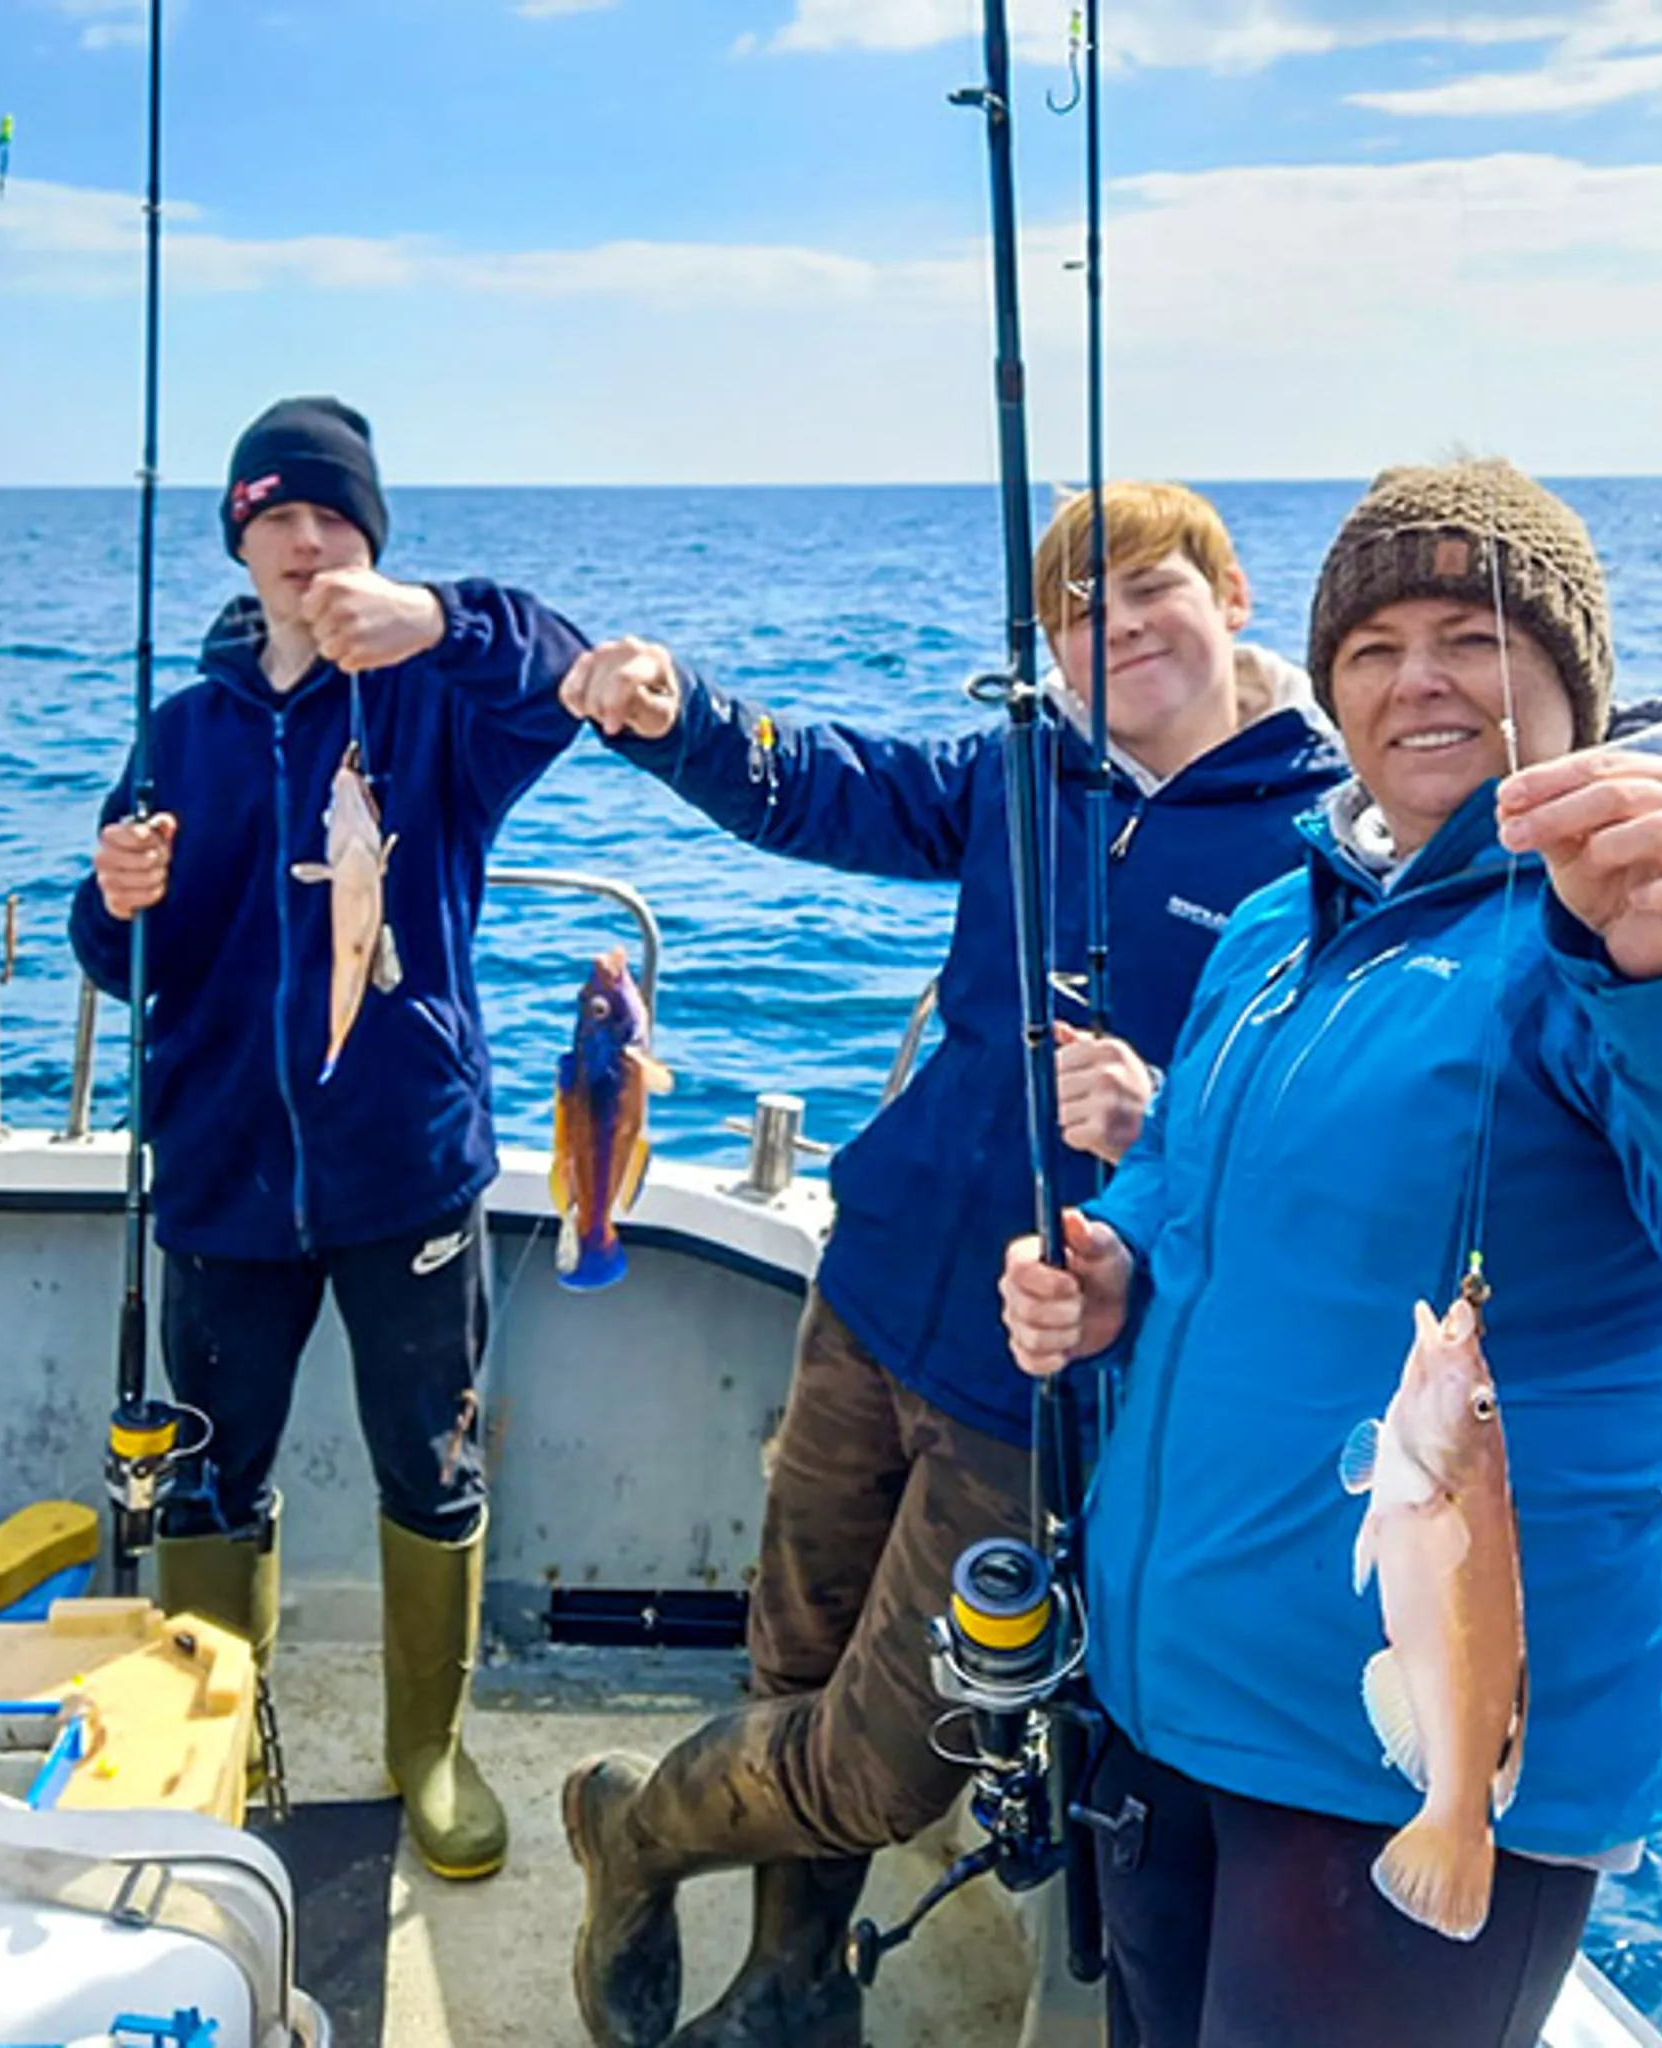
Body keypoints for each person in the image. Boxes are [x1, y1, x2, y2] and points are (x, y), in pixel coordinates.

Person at [999, 456, 1662, 2047]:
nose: (1416, 680)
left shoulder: (1647, 905)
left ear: (1575, 676)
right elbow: (1187, 1182)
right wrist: (1116, 1279)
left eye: (1471, 635)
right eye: (1372, 648)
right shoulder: (1279, 927)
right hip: (1169, 1698)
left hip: (1404, 1766)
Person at [554, 482, 1347, 2047]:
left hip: (1052, 1352)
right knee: (797, 1646)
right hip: (878, 1281)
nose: (1111, 631)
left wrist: (1168, 1109)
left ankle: (634, 1832)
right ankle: (791, 1982)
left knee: (899, 1750)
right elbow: (837, 793)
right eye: (1073, 612)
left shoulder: (1324, 842)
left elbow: (1337, 1122)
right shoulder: (1020, 771)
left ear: (1235, 592)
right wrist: (678, 717)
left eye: (1145, 591)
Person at [69, 395, 587, 1882]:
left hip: (403, 1165)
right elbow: (114, 965)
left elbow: (568, 673)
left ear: (373, 542)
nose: (308, 541)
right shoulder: (182, 731)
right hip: (223, 1170)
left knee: (432, 1462)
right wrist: (115, 896)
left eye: (337, 519)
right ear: (240, 540)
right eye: (279, 517)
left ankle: (426, 1745)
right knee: (215, 1471)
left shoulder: (439, 711)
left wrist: (431, 623)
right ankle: (221, 1734)